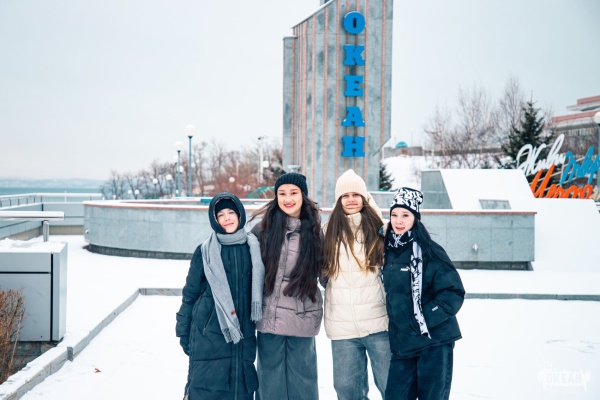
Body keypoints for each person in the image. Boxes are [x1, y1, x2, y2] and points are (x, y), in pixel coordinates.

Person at [175, 192, 265, 400]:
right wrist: (183, 330)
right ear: (214, 220)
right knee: (208, 388)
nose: (227, 218)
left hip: (244, 333)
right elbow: (190, 293)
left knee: (240, 390)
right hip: (209, 334)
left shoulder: (254, 248)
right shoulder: (204, 251)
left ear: (240, 214)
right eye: (220, 215)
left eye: (231, 212)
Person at [382, 187, 465, 400]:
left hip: (434, 342)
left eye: (405, 215)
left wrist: (423, 319)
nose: (399, 221)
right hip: (403, 345)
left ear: (415, 218)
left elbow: (453, 292)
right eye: (394, 215)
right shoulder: (388, 251)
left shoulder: (430, 250)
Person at [250, 172, 323, 400]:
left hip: (301, 318)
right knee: (269, 384)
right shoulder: (263, 230)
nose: (287, 198)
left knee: (303, 384)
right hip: (269, 318)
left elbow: (329, 274)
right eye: (282, 193)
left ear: (303, 196)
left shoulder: (315, 232)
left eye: (293, 193)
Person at [322, 169, 391, 399]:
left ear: (364, 197)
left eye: (356, 194)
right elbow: (321, 271)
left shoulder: (381, 229)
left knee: (392, 386)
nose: (351, 199)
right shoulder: (327, 231)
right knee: (346, 389)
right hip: (342, 327)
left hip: (378, 323)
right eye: (345, 195)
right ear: (338, 200)